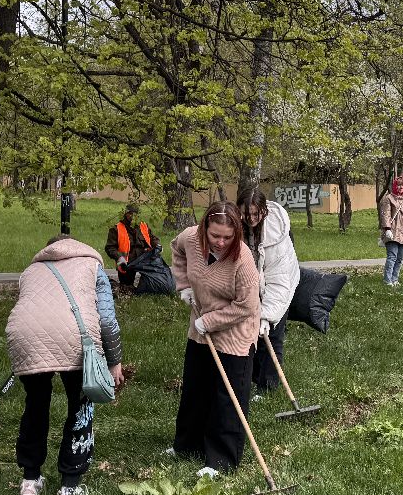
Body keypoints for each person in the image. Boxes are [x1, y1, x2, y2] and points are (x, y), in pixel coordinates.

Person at [6, 234, 124, 495]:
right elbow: (106, 319)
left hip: (26, 336)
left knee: (35, 403)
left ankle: (30, 481)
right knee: (81, 405)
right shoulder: (92, 265)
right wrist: (114, 361)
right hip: (75, 338)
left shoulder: (31, 270)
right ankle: (70, 484)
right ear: (77, 247)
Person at [170, 201, 262, 475]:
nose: (221, 242)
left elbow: (247, 306)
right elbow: (176, 250)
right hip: (200, 331)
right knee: (195, 389)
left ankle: (221, 460)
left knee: (227, 397)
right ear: (204, 229)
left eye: (228, 237)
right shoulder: (190, 238)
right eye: (215, 235)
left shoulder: (242, 260)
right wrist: (184, 286)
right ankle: (187, 446)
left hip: (235, 333)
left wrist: (209, 322)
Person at [239, 190, 301, 394]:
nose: (251, 219)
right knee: (248, 334)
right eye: (246, 214)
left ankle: (267, 386)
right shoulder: (235, 225)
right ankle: (251, 378)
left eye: (255, 214)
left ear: (264, 211)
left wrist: (267, 316)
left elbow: (279, 281)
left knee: (272, 336)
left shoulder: (277, 234)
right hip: (252, 285)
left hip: (280, 286)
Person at [377, 176, 403, 287]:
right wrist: (387, 229)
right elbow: (385, 215)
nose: (401, 187)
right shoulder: (388, 198)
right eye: (399, 185)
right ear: (395, 186)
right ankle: (387, 280)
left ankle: (395, 279)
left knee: (399, 258)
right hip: (392, 232)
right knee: (392, 257)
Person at [105, 203, 156, 288]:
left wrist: (157, 245)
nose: (132, 216)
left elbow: (153, 238)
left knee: (154, 282)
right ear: (125, 214)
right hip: (126, 262)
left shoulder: (143, 226)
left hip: (144, 259)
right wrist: (119, 258)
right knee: (126, 286)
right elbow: (110, 247)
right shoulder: (116, 229)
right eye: (130, 213)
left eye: (135, 214)